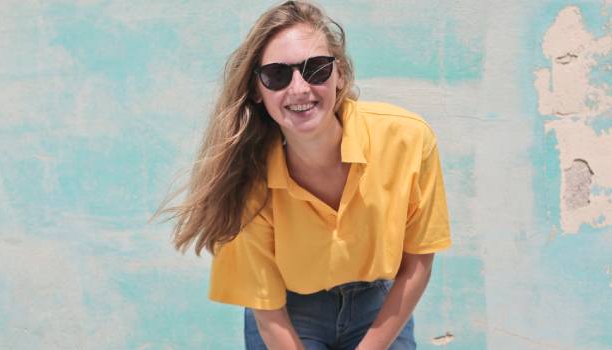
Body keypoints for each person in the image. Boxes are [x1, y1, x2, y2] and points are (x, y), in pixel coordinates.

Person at [158, 1, 450, 349]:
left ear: (339, 73)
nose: (298, 88)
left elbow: (418, 262)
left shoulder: (409, 139)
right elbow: (267, 309)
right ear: (256, 89)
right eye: (278, 75)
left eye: (316, 69)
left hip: (379, 304)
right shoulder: (245, 177)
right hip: (287, 309)